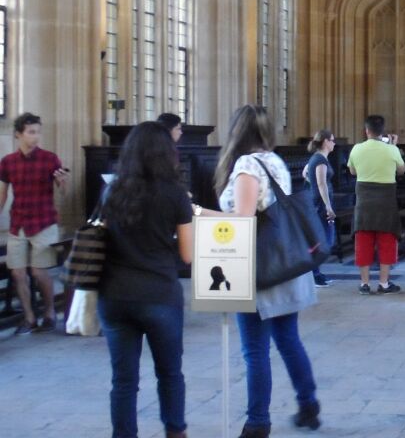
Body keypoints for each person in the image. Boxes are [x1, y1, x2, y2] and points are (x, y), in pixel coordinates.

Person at [214, 105, 320, 438]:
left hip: (260, 268)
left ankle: (258, 422)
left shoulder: (247, 165)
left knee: (255, 350)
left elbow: (243, 220)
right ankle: (308, 403)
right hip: (285, 262)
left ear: (237, 131)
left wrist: (201, 214)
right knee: (288, 339)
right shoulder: (274, 160)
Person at [98, 121, 193, 438]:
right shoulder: (175, 193)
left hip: (115, 294)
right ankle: (175, 432)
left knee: (123, 380)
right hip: (159, 294)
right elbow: (187, 254)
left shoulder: (112, 190)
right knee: (169, 373)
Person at [0, 112, 69, 334]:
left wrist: (62, 182)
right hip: (18, 222)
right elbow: (3, 193)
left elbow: (62, 191)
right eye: (31, 132)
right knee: (18, 273)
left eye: (38, 132)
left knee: (39, 272)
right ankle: (29, 317)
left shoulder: (50, 159)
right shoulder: (8, 162)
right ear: (18, 134)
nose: (36, 136)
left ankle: (49, 312)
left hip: (44, 221)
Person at [347, 114, 405, 295]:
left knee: (363, 241)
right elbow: (401, 170)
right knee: (387, 241)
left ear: (367, 131)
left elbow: (352, 171)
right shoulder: (391, 150)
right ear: (383, 131)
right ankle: (384, 283)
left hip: (364, 202)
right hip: (386, 202)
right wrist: (393, 147)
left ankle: (365, 283)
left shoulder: (357, 149)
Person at [304, 130, 337, 288]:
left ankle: (315, 273)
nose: (334, 143)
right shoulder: (320, 160)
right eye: (332, 140)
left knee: (322, 240)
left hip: (319, 203)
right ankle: (313, 274)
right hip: (321, 205)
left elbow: (305, 173)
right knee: (324, 241)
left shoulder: (317, 158)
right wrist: (328, 206)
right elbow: (321, 183)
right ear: (325, 142)